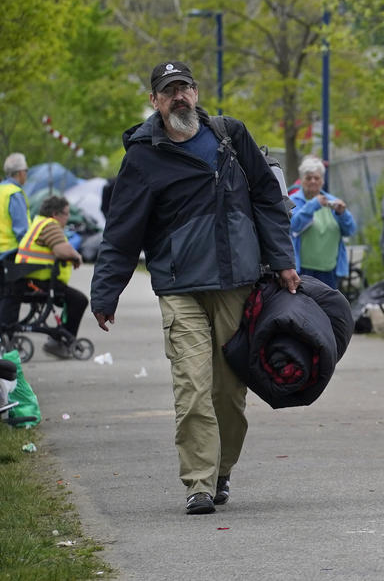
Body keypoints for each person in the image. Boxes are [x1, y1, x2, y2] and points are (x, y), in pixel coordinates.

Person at [90, 60, 301, 516]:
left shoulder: (230, 136)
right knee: (192, 385)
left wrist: (283, 261)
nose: (179, 96)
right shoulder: (142, 157)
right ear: (155, 102)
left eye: (185, 88)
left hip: (235, 284)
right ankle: (199, 483)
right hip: (179, 287)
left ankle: (221, 469)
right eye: (169, 92)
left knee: (229, 392)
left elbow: (267, 198)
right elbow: (122, 231)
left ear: (197, 92)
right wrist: (106, 293)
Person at [13, 194, 87, 359]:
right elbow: (62, 250)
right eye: (66, 213)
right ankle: (59, 342)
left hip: (29, 280)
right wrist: (76, 257)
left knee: (72, 298)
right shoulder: (50, 225)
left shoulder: (38, 222)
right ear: (55, 214)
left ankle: (58, 340)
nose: (68, 218)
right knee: (79, 300)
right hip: (38, 282)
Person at [289, 156, 357, 290]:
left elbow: (350, 230)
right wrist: (313, 205)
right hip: (302, 270)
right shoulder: (293, 201)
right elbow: (293, 226)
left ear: (322, 181)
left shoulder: (332, 202)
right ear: (301, 180)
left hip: (330, 271)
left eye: (317, 178)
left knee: (327, 308)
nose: (313, 181)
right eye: (308, 178)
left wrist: (342, 214)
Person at [0, 152, 30, 336]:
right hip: (11, 253)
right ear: (19, 173)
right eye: (26, 170)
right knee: (11, 296)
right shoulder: (14, 194)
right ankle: (7, 338)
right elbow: (21, 230)